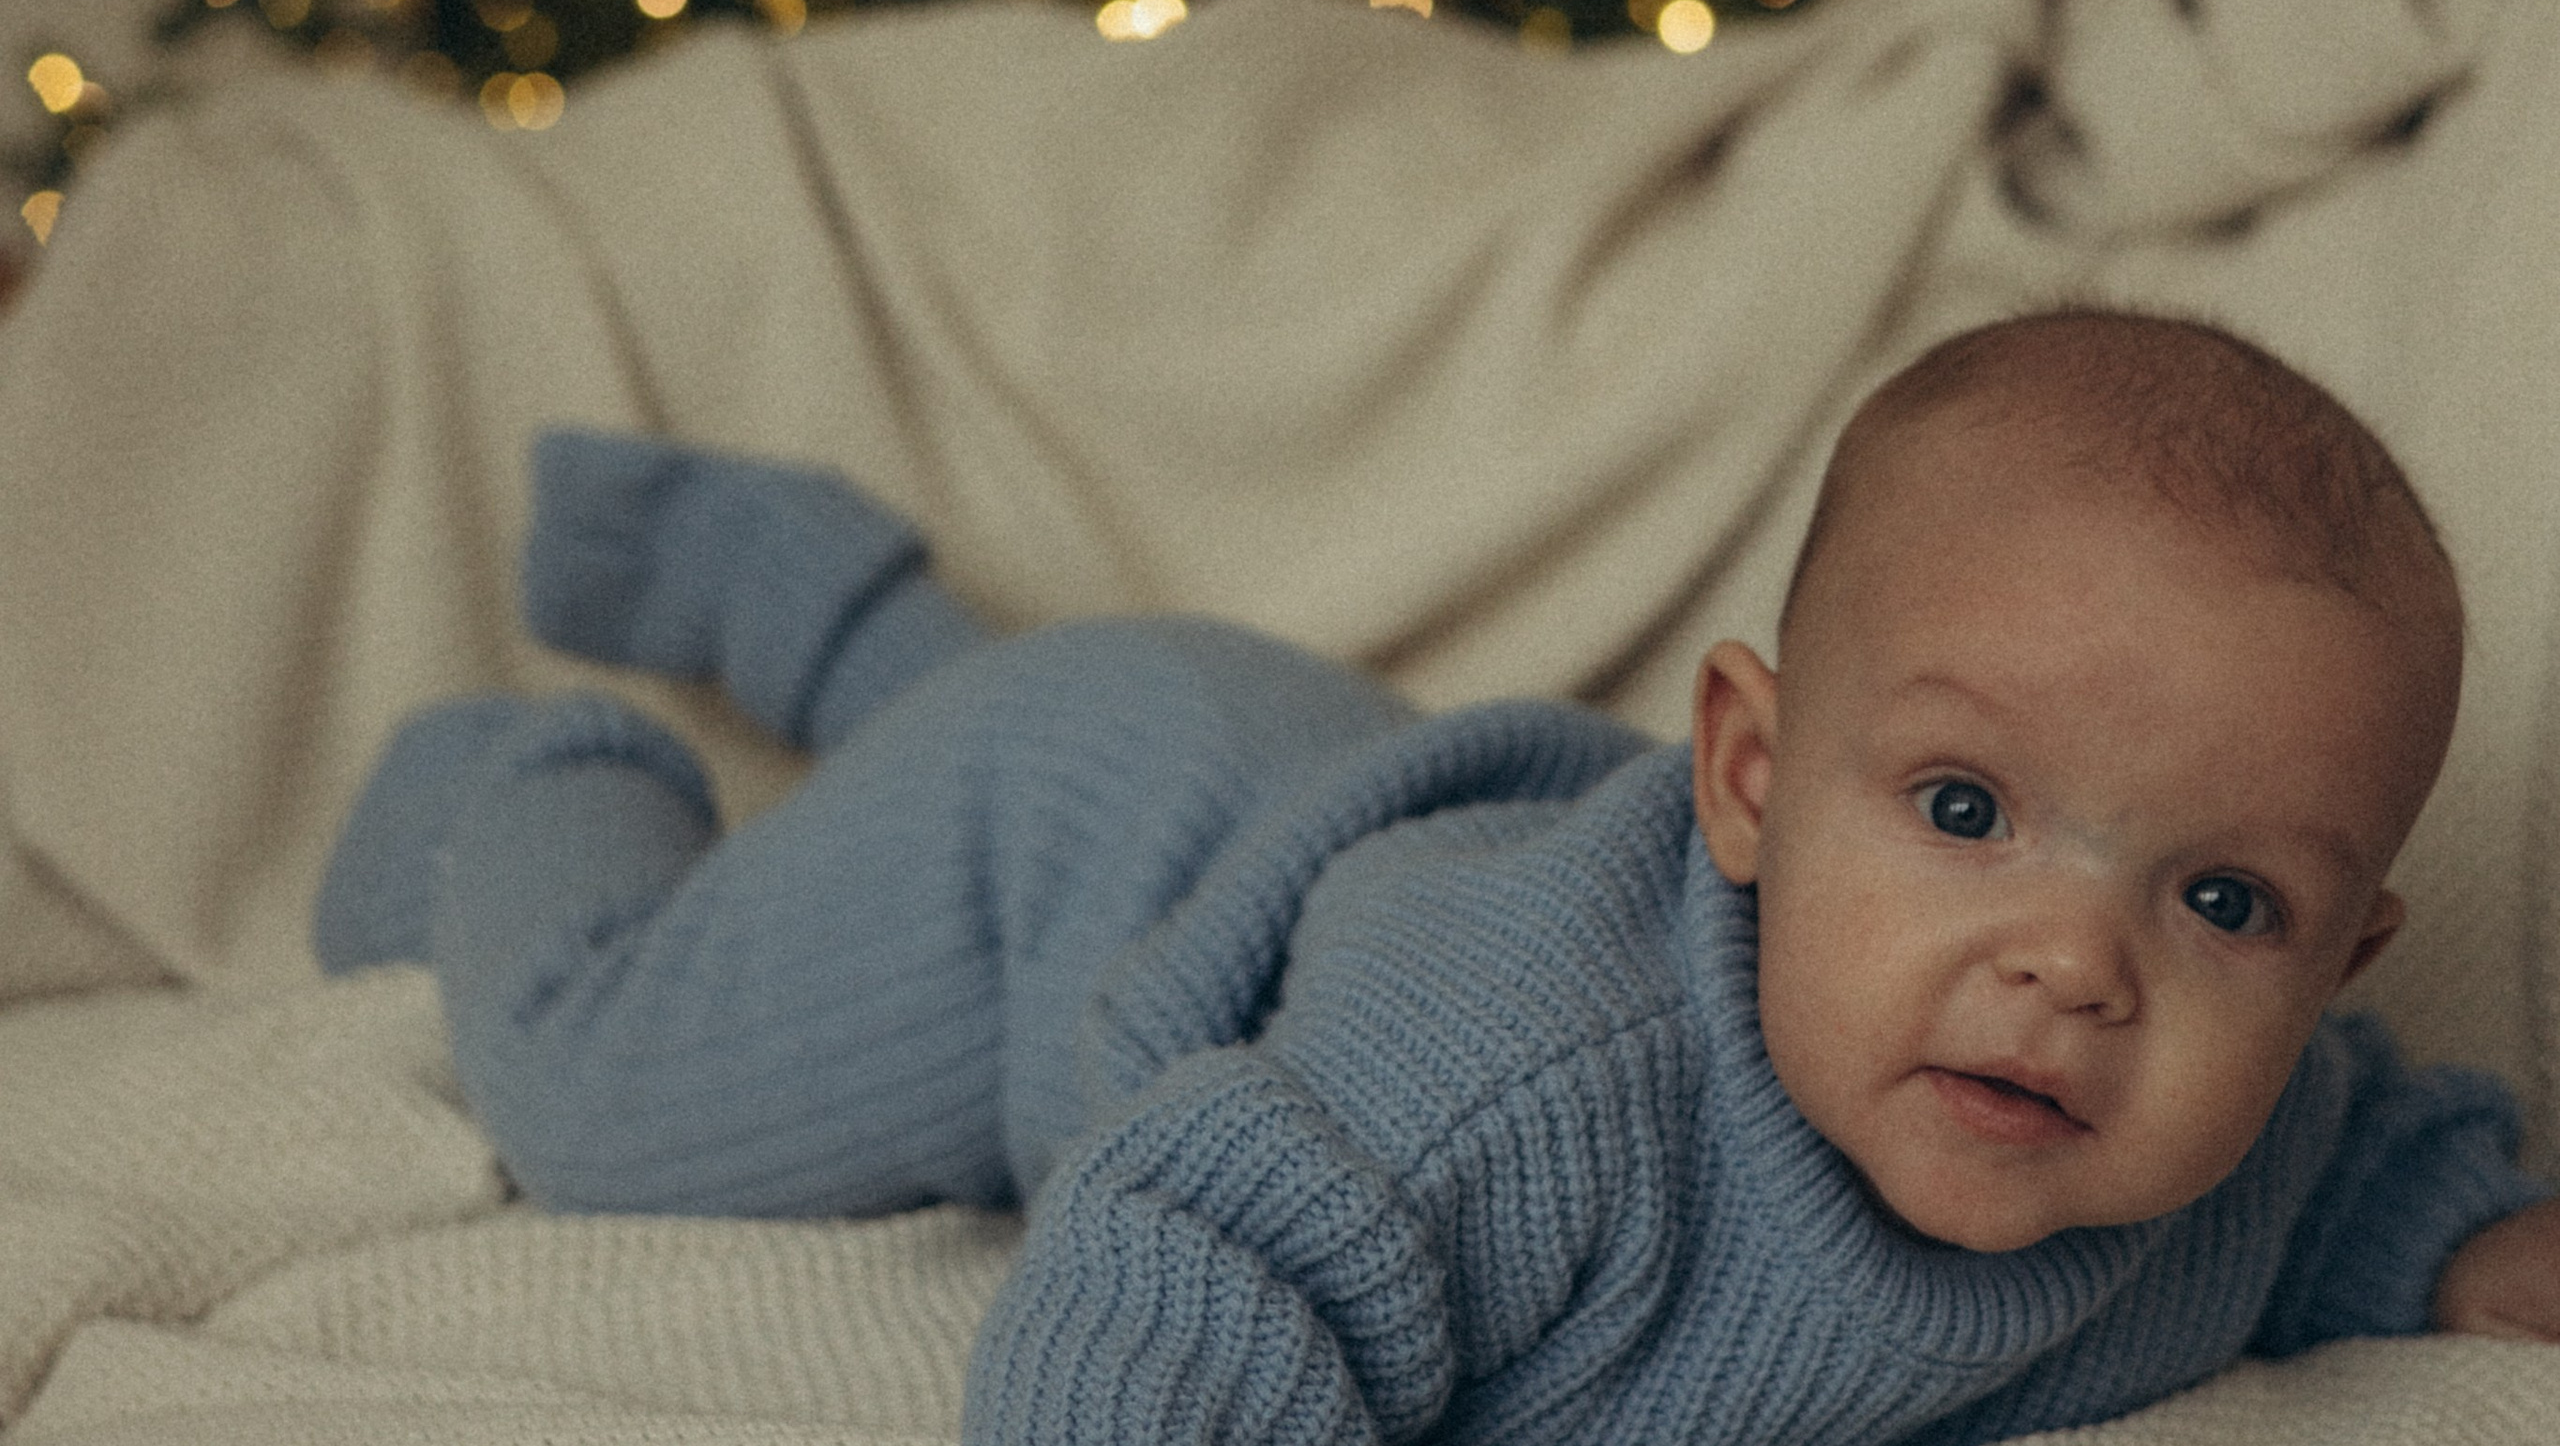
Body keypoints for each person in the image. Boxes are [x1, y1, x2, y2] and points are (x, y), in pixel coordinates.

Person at [316, 309, 2560, 1445]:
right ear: (1752, 778)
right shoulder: (1528, 1086)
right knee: (591, 1083)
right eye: (1962, 810)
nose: (2072, 961)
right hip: (1080, 844)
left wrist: (2473, 1250)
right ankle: (529, 772)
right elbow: (1181, 1248)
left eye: (2223, 904)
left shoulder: (2213, 1154)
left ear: (2335, 943)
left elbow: (2354, 1153)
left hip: (1346, 789)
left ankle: (842, 613)